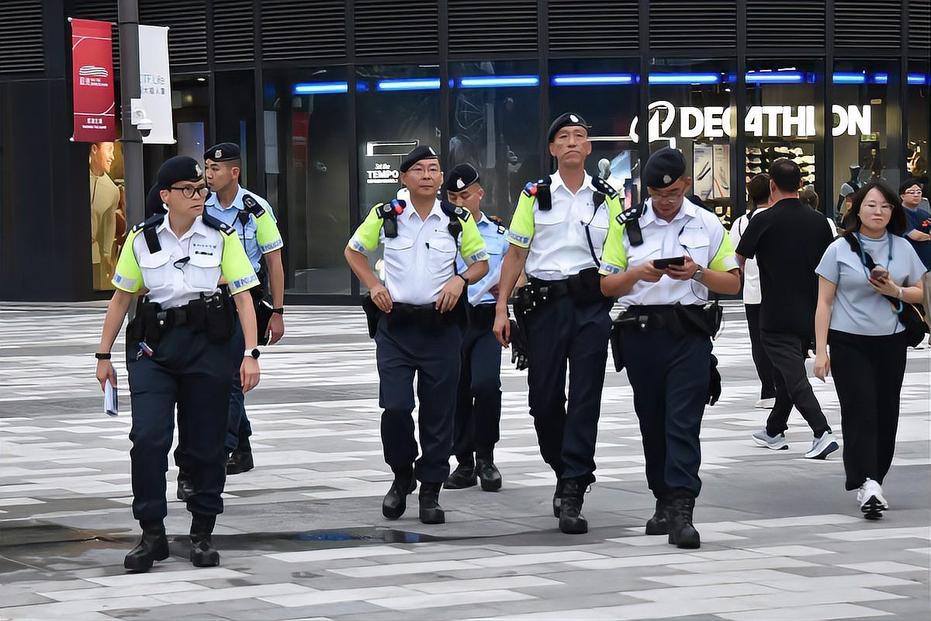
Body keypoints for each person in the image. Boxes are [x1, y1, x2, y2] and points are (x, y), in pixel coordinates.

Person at [94, 156, 261, 572]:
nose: (199, 195)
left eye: (201, 188)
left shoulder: (222, 237)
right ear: (165, 195)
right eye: (188, 189)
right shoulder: (142, 239)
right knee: (148, 438)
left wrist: (250, 354)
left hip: (209, 346)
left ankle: (202, 531)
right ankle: (151, 533)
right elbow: (121, 299)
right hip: (155, 349)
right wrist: (103, 355)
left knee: (205, 444)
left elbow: (243, 298)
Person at [601, 147, 740, 549]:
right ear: (646, 189)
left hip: (688, 333)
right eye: (658, 194)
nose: (665, 201)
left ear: (685, 185)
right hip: (641, 334)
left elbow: (732, 283)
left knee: (683, 421)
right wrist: (636, 274)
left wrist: (697, 271)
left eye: (673, 193)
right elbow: (606, 285)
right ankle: (662, 497)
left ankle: (682, 508)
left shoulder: (706, 223)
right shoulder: (626, 225)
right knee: (652, 419)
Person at [344, 145, 489, 524]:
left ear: (441, 178)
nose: (427, 175)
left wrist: (460, 280)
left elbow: (481, 263)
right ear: (403, 178)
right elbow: (354, 252)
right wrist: (374, 285)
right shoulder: (385, 216)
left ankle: (430, 490)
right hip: (396, 326)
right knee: (395, 407)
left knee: (438, 413)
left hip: (441, 327)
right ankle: (401, 473)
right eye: (419, 169)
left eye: (434, 169)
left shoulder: (456, 218)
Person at [493, 113, 622, 535]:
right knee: (543, 400)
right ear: (552, 149)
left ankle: (572, 488)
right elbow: (515, 254)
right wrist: (501, 309)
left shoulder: (607, 197)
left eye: (579, 136)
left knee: (586, 399)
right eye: (562, 137)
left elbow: (621, 255)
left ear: (588, 148)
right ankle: (563, 464)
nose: (571, 142)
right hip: (544, 308)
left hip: (589, 307)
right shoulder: (534, 195)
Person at [174, 143, 285, 498]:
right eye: (207, 167)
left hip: (243, 302)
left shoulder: (255, 210)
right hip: (203, 303)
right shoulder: (197, 205)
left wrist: (278, 312)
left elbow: (274, 262)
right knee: (218, 378)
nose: (209, 174)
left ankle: (218, 452)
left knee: (233, 380)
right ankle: (243, 445)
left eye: (216, 169)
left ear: (234, 172)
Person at [814, 181, 926, 519]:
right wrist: (821, 351)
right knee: (860, 408)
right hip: (848, 341)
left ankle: (875, 478)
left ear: (893, 212)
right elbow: (824, 302)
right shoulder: (838, 249)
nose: (878, 212)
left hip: (891, 341)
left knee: (886, 411)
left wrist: (896, 290)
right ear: (856, 209)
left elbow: (921, 292)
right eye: (871, 205)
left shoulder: (903, 247)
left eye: (885, 207)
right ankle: (865, 481)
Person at [736, 158, 839, 458]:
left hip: (776, 311)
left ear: (771, 185)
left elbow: (740, 259)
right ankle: (774, 429)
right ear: (801, 184)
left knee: (793, 376)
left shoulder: (763, 219)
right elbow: (830, 266)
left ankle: (821, 431)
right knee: (786, 373)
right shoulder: (819, 221)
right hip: (811, 310)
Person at [442, 164, 507, 492]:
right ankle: (463, 461)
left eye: (465, 195)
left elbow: (518, 268)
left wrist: (508, 292)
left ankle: (486, 456)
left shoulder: (498, 234)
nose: (459, 202)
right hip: (450, 318)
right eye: (453, 196)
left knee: (485, 385)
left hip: (483, 319)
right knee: (456, 389)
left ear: (480, 193)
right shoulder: (440, 229)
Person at [729, 174, 776, 409]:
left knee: (757, 342)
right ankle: (781, 387)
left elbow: (734, 258)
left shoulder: (739, 223)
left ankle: (767, 389)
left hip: (752, 291)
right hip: (777, 292)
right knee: (778, 340)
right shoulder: (777, 218)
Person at [90, 141, 119, 290]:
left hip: (94, 257)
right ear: (94, 149)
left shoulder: (112, 190)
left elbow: (109, 223)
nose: (112, 157)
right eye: (109, 150)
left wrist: (107, 255)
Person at [900, 179, 931, 271]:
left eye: (919, 192)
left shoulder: (925, 214)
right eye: (911, 192)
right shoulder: (898, 214)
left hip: (926, 261)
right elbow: (915, 236)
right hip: (908, 262)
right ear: (902, 196)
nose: (916, 195)